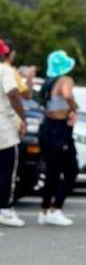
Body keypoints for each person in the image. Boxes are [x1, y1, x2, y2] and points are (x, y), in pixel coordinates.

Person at [38, 49, 79, 226]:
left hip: (46, 127)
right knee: (71, 170)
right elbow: (68, 94)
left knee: (52, 172)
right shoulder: (65, 80)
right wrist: (74, 108)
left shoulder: (48, 82)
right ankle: (56, 208)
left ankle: (45, 209)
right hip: (60, 130)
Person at [0, 38, 26, 228]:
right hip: (3, 127)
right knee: (7, 169)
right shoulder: (4, 70)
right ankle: (5, 210)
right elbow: (12, 94)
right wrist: (22, 117)